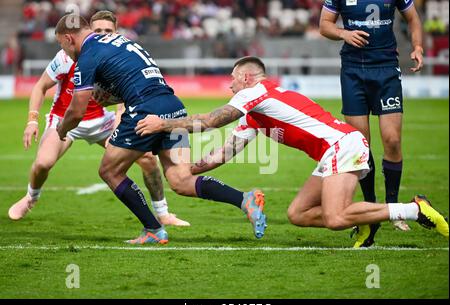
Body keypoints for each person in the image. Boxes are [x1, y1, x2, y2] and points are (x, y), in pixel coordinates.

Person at [135, 56, 449, 245]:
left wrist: (162, 125)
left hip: (342, 145)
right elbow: (223, 153)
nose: (229, 87)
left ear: (246, 78)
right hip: (333, 152)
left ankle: (414, 209)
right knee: (297, 214)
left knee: (336, 217)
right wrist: (186, 174)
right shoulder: (256, 114)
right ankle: (365, 219)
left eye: (232, 81)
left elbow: (210, 121)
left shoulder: (257, 92)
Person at [54, 15, 267, 244]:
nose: (65, 52)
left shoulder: (88, 55)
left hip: (144, 110)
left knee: (110, 171)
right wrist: (110, 96)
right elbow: (131, 77)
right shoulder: (121, 41)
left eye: (62, 46)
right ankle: (244, 199)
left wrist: (61, 129)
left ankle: (153, 229)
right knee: (180, 179)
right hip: (172, 105)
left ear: (68, 38)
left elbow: (76, 111)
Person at [8, 11, 190, 228]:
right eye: (98, 30)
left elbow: (127, 93)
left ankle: (162, 213)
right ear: (88, 32)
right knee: (43, 163)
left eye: (108, 31)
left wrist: (121, 120)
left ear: (115, 34)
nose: (103, 34)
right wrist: (32, 120)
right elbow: (40, 86)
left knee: (148, 160)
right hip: (66, 118)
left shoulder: (115, 51)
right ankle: (31, 197)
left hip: (101, 120)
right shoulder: (66, 56)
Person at [319, 0, 424, 239]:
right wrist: (343, 33)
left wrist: (417, 46)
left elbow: (413, 19)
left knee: (393, 140)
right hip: (353, 71)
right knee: (361, 147)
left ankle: (394, 208)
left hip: (386, 69)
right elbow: (324, 25)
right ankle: (371, 209)